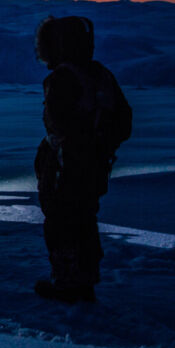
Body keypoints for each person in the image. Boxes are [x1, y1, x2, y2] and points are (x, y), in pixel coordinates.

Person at [33, 16, 132, 303]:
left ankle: (67, 283)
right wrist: (100, 146)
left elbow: (60, 124)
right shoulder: (99, 73)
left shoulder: (63, 78)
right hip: (95, 165)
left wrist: (69, 150)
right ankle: (84, 279)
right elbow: (124, 121)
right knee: (84, 219)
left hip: (67, 166)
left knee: (62, 222)